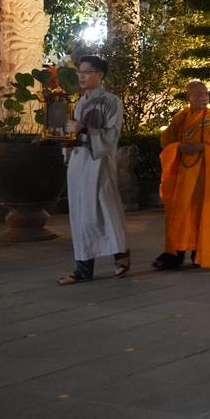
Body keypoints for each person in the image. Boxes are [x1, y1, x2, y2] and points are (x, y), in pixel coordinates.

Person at [153, 81, 210, 270]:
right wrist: (178, 148)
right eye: (199, 94)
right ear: (189, 97)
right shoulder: (181, 118)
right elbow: (167, 140)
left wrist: (200, 147)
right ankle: (174, 253)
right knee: (179, 215)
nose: (204, 97)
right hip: (182, 178)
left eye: (206, 94)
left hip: (205, 178)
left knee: (201, 215)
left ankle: (199, 252)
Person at [58, 56, 129, 284]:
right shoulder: (79, 102)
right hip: (79, 163)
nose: (81, 76)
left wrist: (83, 129)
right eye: (80, 71)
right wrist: (65, 139)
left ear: (100, 75)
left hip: (98, 164)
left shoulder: (111, 102)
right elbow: (73, 132)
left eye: (87, 72)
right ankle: (83, 268)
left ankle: (121, 253)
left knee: (105, 211)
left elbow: (111, 135)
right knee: (80, 215)